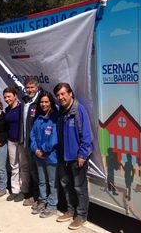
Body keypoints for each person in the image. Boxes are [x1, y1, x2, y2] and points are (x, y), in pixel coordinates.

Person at [53, 83, 93, 230]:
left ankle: (81, 216)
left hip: (77, 158)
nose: (60, 97)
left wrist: (82, 155)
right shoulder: (62, 112)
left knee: (79, 188)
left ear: (71, 94)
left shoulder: (78, 111)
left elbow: (87, 136)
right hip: (64, 156)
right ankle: (70, 210)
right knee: (66, 185)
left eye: (63, 94)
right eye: (58, 95)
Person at [30, 91, 59, 218]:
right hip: (38, 155)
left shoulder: (55, 117)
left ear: (51, 102)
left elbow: (54, 138)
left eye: (46, 101)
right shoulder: (38, 117)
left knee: (52, 182)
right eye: (42, 102)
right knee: (42, 180)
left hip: (50, 155)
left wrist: (43, 150)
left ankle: (52, 206)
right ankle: (43, 200)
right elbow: (32, 135)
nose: (43, 104)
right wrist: (35, 149)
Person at [20, 78, 40, 207]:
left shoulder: (40, 102)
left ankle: (40, 198)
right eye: (28, 87)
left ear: (37, 88)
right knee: (31, 171)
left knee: (38, 172)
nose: (30, 90)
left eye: (32, 87)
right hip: (25, 143)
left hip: (36, 145)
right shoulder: (24, 101)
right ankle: (34, 195)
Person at [3, 87, 27, 202]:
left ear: (15, 96)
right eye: (5, 97)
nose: (7, 99)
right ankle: (15, 190)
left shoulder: (22, 107)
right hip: (11, 141)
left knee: (23, 166)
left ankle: (24, 190)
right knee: (14, 166)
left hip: (21, 141)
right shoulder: (7, 110)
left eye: (9, 96)